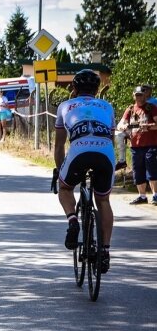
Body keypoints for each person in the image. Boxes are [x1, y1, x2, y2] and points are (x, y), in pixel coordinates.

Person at [54, 69, 116, 273]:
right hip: (105, 153)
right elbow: (111, 139)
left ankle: (73, 221)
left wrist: (59, 171)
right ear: (97, 89)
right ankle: (105, 251)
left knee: (64, 189)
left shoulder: (65, 106)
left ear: (73, 88)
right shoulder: (107, 106)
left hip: (78, 152)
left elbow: (59, 146)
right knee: (104, 200)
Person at [116, 85, 157, 205]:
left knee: (152, 170)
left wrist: (148, 126)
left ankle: (155, 195)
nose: (139, 98)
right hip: (135, 145)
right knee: (138, 171)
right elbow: (120, 124)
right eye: (137, 95)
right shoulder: (130, 109)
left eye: (141, 95)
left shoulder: (151, 108)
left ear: (145, 96)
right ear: (133, 96)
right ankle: (142, 196)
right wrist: (123, 126)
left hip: (151, 144)